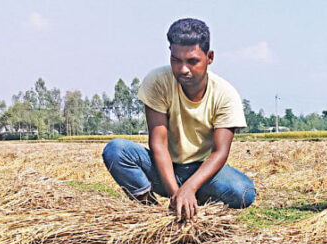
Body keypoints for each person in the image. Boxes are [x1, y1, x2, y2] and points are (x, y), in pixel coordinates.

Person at [103, 18, 255, 220]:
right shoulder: (157, 82)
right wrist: (176, 194)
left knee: (243, 191)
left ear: (210, 57)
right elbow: (158, 143)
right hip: (162, 167)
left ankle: (193, 199)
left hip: (201, 171)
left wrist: (190, 187)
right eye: (176, 60)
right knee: (116, 151)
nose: (183, 69)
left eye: (192, 61)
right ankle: (152, 211)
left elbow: (220, 152)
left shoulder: (225, 95)